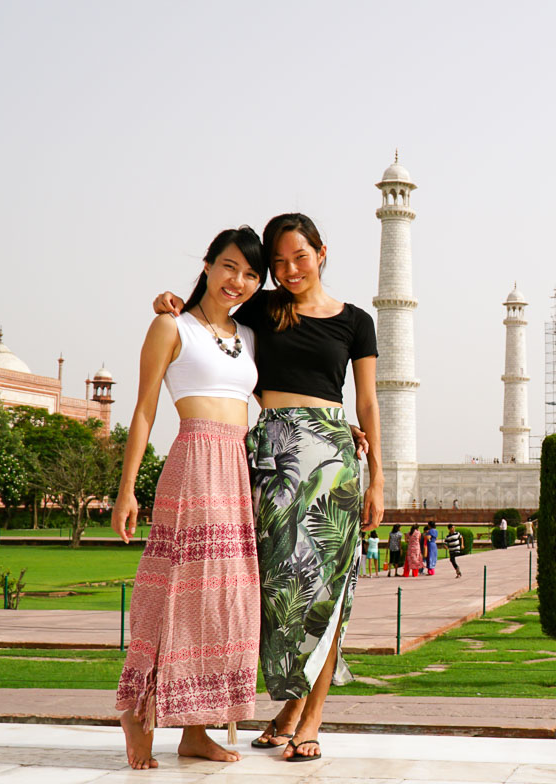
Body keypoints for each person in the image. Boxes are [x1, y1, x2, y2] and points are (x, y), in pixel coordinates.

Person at [154, 213, 382, 764]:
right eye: (277, 263)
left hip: (333, 458)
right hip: (272, 458)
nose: (288, 270)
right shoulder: (264, 307)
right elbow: (214, 325)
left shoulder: (355, 321)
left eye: (299, 258)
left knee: (328, 595)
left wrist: (379, 480)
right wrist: (170, 303)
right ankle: (286, 705)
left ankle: (312, 718)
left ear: (322, 253)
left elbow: (369, 401)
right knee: (276, 592)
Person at [113, 227, 267, 770]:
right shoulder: (171, 326)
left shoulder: (249, 335)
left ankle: (195, 728)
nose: (238, 281)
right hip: (196, 462)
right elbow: (143, 410)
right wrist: (127, 488)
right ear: (206, 265)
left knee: (225, 602)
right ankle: (138, 711)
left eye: (250, 274)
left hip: (238, 469)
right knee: (177, 590)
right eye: (229, 267)